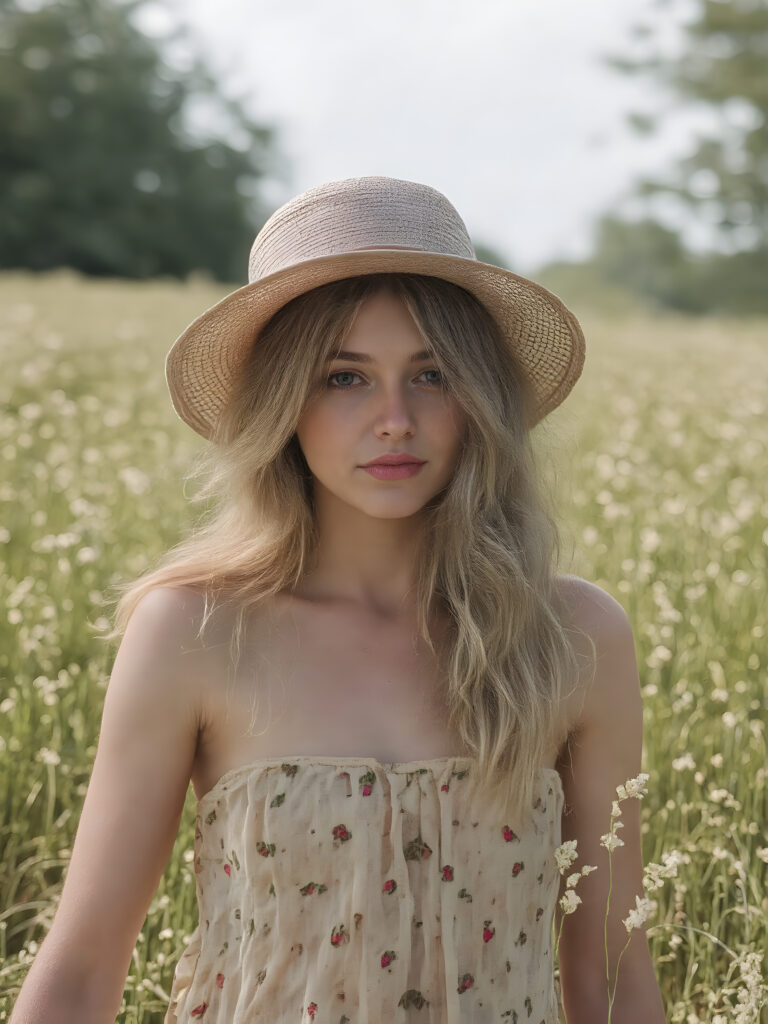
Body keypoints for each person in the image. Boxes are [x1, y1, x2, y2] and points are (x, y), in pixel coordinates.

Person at [9, 175, 665, 1024]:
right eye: (344, 378)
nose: (395, 419)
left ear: (479, 397)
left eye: (431, 374)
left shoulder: (574, 637)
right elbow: (82, 969)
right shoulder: (196, 629)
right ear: (284, 405)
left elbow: (614, 974)